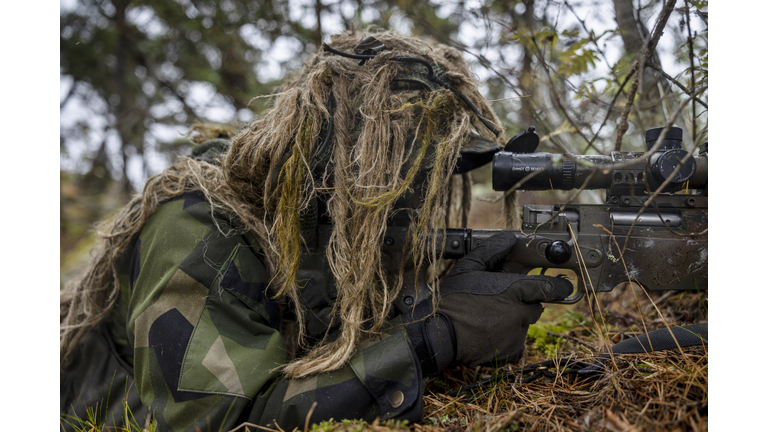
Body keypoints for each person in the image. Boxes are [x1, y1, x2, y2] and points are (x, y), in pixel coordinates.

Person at [60, 30, 572, 432]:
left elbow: (319, 326)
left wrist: (446, 296)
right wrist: (436, 335)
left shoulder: (329, 225)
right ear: (332, 159)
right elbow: (216, 422)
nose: (414, 193)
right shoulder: (200, 227)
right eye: (391, 160)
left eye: (429, 170)